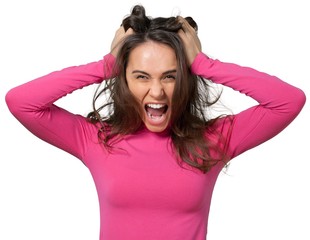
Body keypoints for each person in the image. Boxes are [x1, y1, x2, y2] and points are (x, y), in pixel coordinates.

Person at [5, 4, 306, 240]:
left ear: (185, 79)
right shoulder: (96, 139)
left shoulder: (214, 140)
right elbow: (21, 102)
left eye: (170, 76)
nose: (157, 91)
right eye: (141, 76)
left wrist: (203, 63)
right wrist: (107, 64)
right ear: (124, 80)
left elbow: (288, 101)